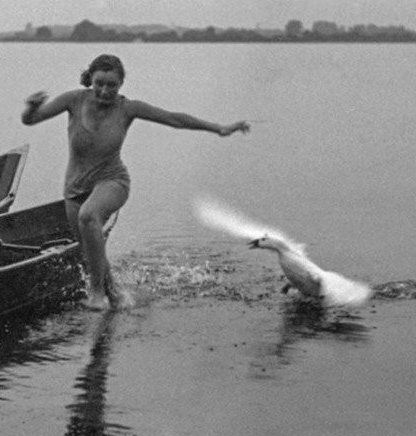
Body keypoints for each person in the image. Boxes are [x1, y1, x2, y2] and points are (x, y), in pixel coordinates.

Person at [22, 54, 250, 311]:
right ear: (91, 80)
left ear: (121, 84)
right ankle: (117, 295)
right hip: (74, 189)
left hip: (112, 181)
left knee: (89, 217)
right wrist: (31, 107)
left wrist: (218, 128)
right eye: (99, 83)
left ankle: (96, 294)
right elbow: (30, 120)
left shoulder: (127, 108)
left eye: (112, 85)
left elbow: (174, 119)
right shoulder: (74, 100)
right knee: (89, 250)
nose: (105, 91)